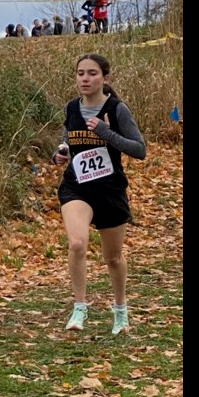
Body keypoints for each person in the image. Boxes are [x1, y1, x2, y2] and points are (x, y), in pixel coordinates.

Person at [50, 53, 146, 335]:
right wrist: (61, 153)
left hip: (109, 190)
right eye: (80, 73)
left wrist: (106, 132)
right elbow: (69, 141)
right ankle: (80, 307)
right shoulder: (71, 108)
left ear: (105, 78)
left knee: (113, 258)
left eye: (92, 73)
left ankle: (120, 311)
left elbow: (139, 150)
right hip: (77, 186)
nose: (85, 79)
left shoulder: (117, 109)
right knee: (77, 243)